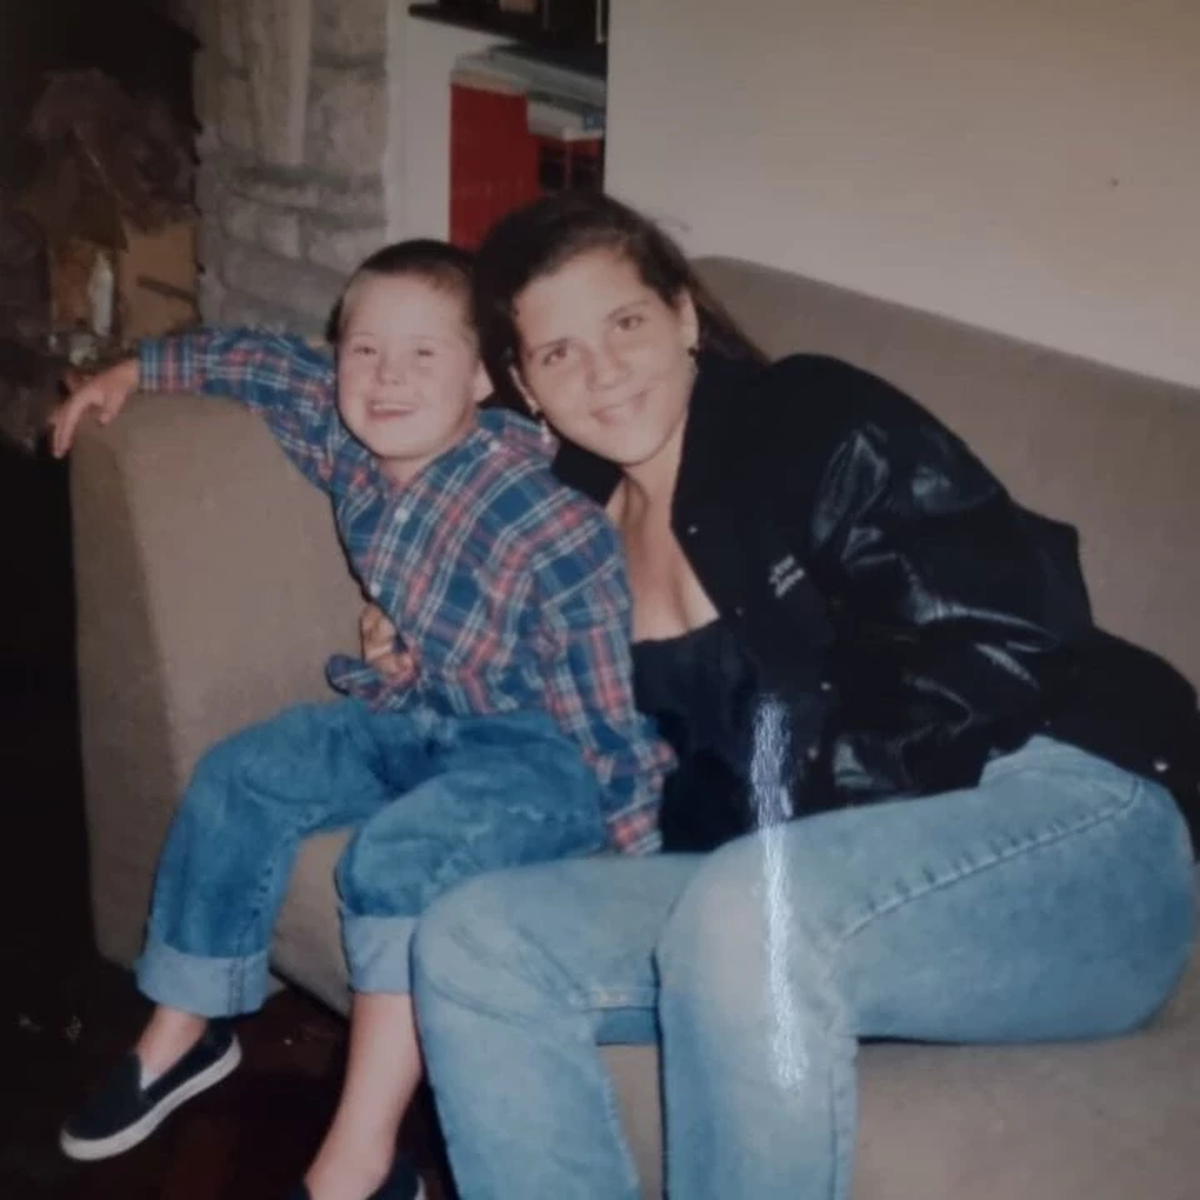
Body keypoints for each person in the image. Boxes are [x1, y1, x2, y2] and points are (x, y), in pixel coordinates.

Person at [363, 193, 1197, 1199]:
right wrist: (414, 644)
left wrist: (797, 828)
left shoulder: (802, 418)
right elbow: (558, 735)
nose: (603, 371)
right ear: (528, 389)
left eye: (625, 324)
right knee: (476, 941)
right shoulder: (568, 533)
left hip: (1070, 820)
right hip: (789, 887)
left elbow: (1005, 627)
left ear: (683, 318)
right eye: (558, 353)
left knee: (745, 911)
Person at [49, 238, 672, 1200]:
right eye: (364, 350)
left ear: (481, 381)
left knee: (399, 858)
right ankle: (185, 1029)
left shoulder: (547, 522)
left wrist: (640, 866)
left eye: (424, 355)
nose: (386, 378)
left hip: (539, 756)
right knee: (244, 770)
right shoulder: (351, 439)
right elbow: (263, 362)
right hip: (416, 714)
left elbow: (608, 714)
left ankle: (366, 1160)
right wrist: (137, 367)